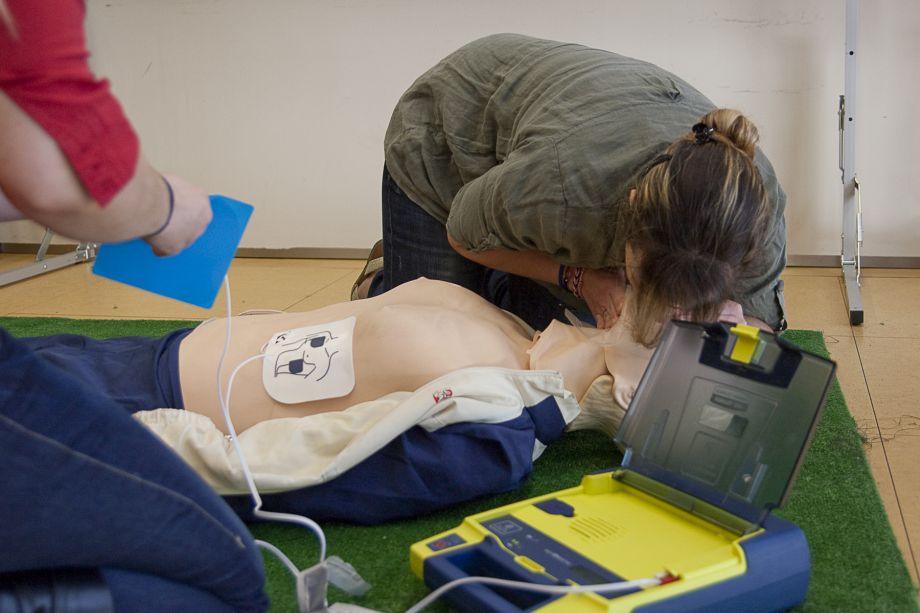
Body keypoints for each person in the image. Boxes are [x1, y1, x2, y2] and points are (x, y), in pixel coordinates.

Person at [0, 2, 267, 611]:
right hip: (164, 365)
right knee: (225, 571)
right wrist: (165, 206)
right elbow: (55, 167)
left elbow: (37, 168)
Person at [358, 34, 787, 344]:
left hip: (547, 154)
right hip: (446, 135)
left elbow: (759, 325)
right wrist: (579, 279)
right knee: (441, 340)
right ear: (633, 211)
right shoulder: (566, 188)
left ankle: (504, 267)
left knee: (547, 326)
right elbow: (462, 231)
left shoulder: (755, 206)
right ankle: (385, 280)